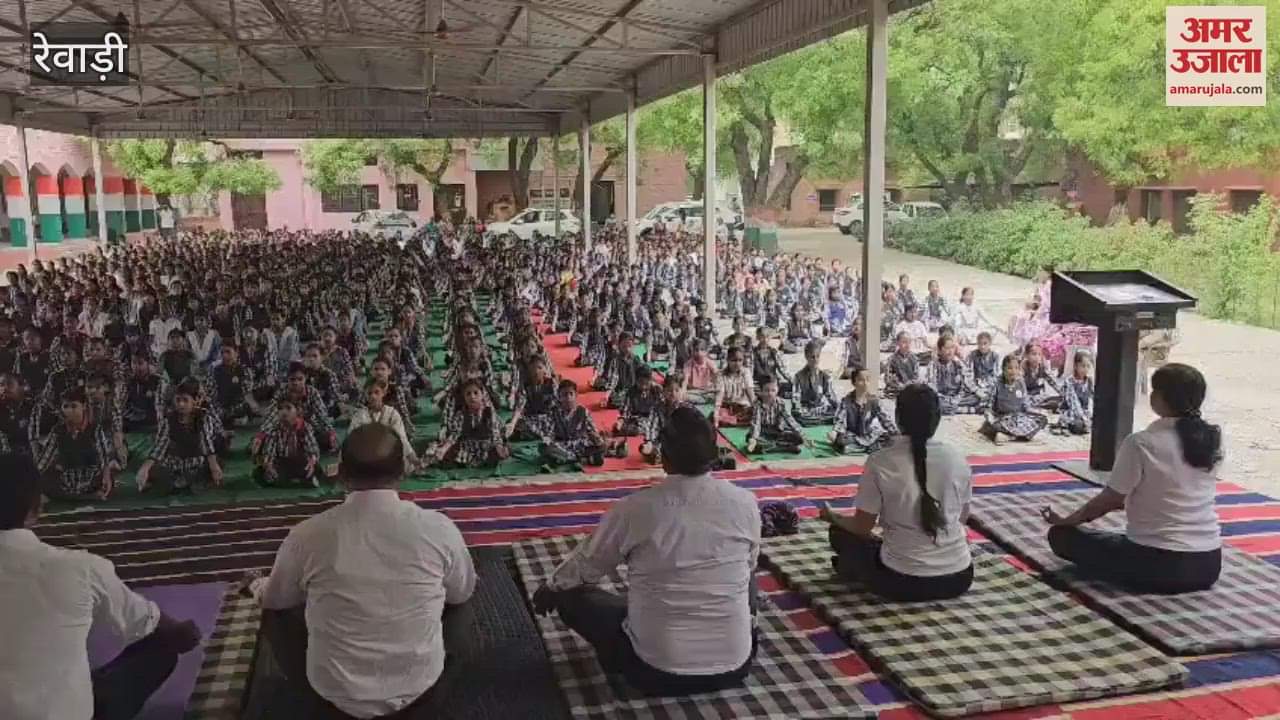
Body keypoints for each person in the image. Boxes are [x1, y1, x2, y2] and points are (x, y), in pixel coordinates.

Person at [251, 423, 477, 718]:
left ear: (341, 474)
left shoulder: (307, 536)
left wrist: (258, 586)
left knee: (273, 606)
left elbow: (275, 599)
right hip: (421, 695)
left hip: (333, 698)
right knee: (462, 601)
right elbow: (463, 591)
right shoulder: (438, 529)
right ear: (403, 471)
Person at [531, 406, 760, 696]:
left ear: (664, 458)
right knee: (747, 573)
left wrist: (552, 587)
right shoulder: (746, 502)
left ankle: (627, 649)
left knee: (570, 595)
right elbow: (749, 565)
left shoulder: (635, 509)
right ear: (714, 455)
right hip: (735, 665)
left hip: (654, 671)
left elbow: (587, 565)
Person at [0, 453, 203, 720]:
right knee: (160, 647)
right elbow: (146, 621)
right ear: (36, 508)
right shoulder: (79, 567)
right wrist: (181, 632)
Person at [1041, 364, 1222, 594]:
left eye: (1155, 390)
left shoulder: (1141, 443)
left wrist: (1069, 520)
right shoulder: (1212, 439)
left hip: (1156, 566)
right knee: (1113, 539)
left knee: (1062, 537)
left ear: (1162, 398)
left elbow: (1111, 500)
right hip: (1208, 565)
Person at [820, 384, 974, 601]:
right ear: (937, 418)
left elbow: (862, 527)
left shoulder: (880, 461)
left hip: (902, 581)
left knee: (840, 534)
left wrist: (832, 517)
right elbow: (962, 518)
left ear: (898, 418)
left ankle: (854, 568)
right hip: (959, 577)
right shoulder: (958, 459)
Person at [980, 354, 1048, 443]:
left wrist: (1039, 412)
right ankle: (1020, 436)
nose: (1013, 371)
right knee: (992, 425)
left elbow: (1026, 406)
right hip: (1002, 418)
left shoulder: (1021, 382)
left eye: (1016, 368)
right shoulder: (996, 383)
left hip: (1019, 418)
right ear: (1003, 369)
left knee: (1043, 419)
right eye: (1009, 368)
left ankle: (1011, 436)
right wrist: (989, 416)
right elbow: (989, 406)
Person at [830, 368, 896, 454]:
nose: (865, 383)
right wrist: (835, 432)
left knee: (889, 438)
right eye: (861, 380)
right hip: (852, 436)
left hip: (870, 435)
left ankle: (860, 448)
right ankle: (867, 447)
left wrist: (896, 433)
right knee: (841, 440)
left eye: (867, 380)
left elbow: (885, 420)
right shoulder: (846, 401)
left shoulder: (874, 400)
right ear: (854, 382)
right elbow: (840, 420)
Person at [745, 376, 806, 455]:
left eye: (773, 390)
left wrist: (801, 433)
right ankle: (784, 447)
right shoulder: (757, 404)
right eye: (766, 390)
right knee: (750, 438)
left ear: (777, 390)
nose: (770, 393)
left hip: (777, 431)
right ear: (761, 391)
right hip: (763, 432)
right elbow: (756, 423)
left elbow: (789, 419)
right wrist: (754, 438)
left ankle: (772, 447)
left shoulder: (781, 403)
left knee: (798, 438)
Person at [1053, 349, 1095, 436]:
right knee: (1078, 426)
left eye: (1088, 366)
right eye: (1083, 366)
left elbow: (1092, 398)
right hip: (1071, 412)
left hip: (1085, 412)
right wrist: (1084, 419)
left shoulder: (1089, 381)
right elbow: (1073, 403)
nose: (1085, 369)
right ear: (1076, 366)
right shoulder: (1069, 382)